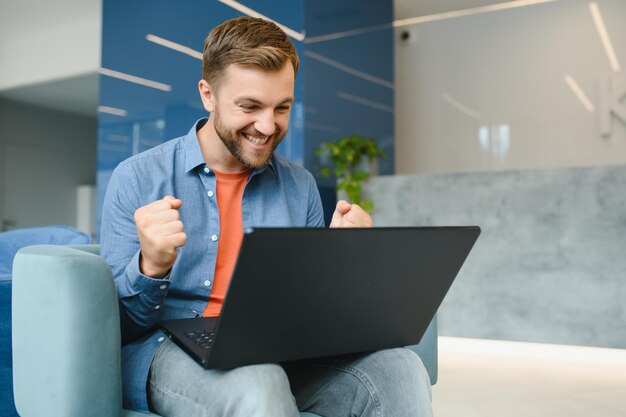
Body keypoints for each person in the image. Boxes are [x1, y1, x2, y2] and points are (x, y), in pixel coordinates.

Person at [101, 16, 433, 417]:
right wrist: (150, 267)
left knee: (401, 369)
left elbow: (313, 314)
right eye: (250, 106)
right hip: (171, 350)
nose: (267, 126)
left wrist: (347, 263)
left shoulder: (300, 185)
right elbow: (117, 328)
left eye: (282, 107)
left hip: (278, 351)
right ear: (208, 94)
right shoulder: (137, 177)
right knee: (257, 379)